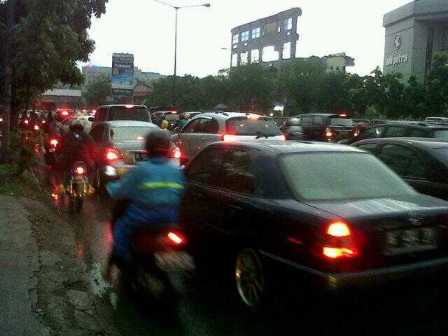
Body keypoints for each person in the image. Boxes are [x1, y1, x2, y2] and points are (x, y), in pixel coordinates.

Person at [104, 130, 185, 278]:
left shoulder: (141, 170)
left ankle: (120, 256)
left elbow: (120, 190)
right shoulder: (176, 170)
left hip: (142, 218)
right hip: (170, 219)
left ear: (148, 148)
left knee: (120, 228)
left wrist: (110, 187)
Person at [54, 120, 96, 192]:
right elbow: (93, 147)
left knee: (61, 171)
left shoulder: (67, 135)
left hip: (69, 159)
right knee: (93, 169)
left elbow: (59, 147)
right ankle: (89, 186)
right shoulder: (86, 136)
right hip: (84, 160)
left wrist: (58, 153)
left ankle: (63, 187)